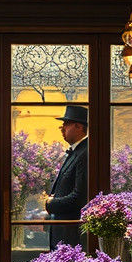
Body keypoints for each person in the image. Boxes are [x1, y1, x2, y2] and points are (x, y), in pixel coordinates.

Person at [46, 104, 89, 249]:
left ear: (79, 126)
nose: (62, 128)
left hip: (71, 233)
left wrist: (50, 203)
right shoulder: (77, 151)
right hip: (64, 231)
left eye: (66, 124)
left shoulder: (85, 153)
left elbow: (80, 197)